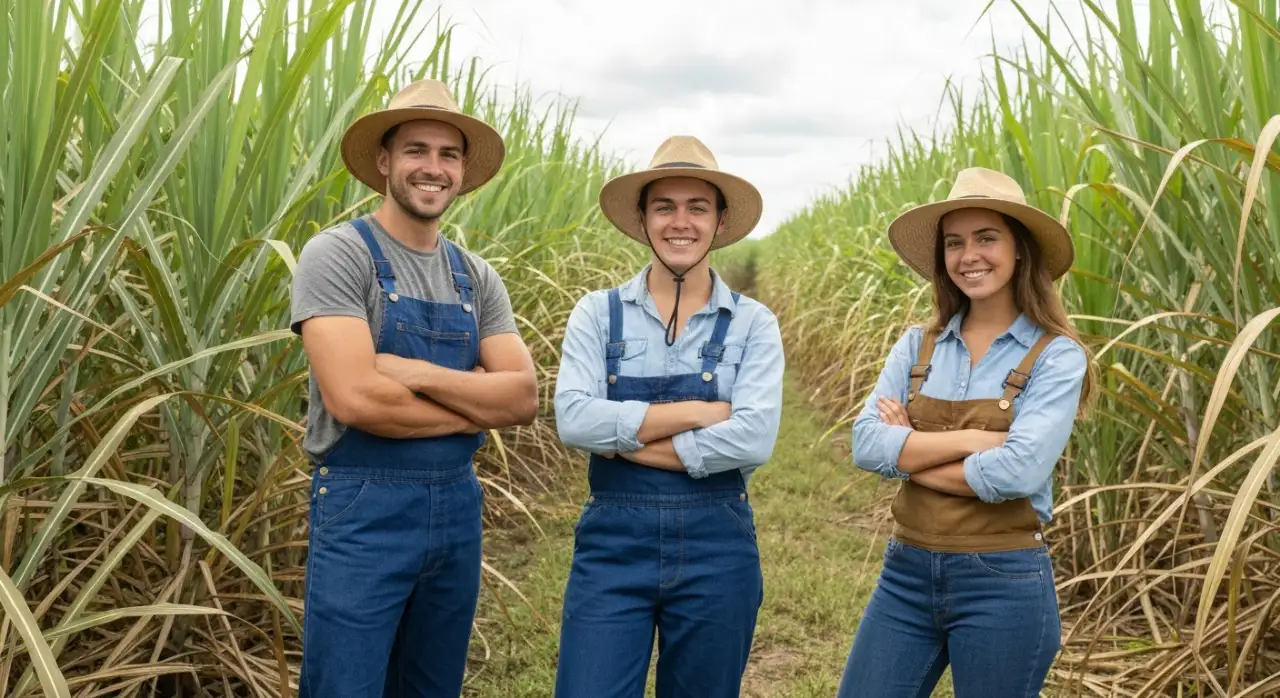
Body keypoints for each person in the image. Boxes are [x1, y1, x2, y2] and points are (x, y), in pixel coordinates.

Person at [289, 79, 538, 697]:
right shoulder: (337, 256)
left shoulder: (476, 276)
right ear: (384, 161)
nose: (433, 167)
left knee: (431, 687)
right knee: (345, 687)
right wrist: (473, 408)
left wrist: (416, 373)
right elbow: (356, 400)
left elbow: (522, 398)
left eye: (448, 154)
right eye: (416, 150)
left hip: (456, 507)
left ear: (462, 171)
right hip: (362, 508)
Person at [836, 167, 1095, 697]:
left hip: (1003, 581)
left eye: (986, 238)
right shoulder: (917, 345)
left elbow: (1017, 473)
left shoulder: (1057, 356)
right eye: (954, 243)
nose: (968, 255)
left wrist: (909, 454)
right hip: (905, 573)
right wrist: (975, 441)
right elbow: (865, 444)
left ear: (1019, 250)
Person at [551, 135, 785, 697]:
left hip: (718, 548)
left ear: (720, 221)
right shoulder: (596, 313)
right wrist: (700, 412)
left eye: (697, 208)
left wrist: (622, 441)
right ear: (642, 218)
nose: (681, 223)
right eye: (664, 207)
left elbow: (752, 439)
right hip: (612, 547)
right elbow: (574, 420)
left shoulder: (754, 323)